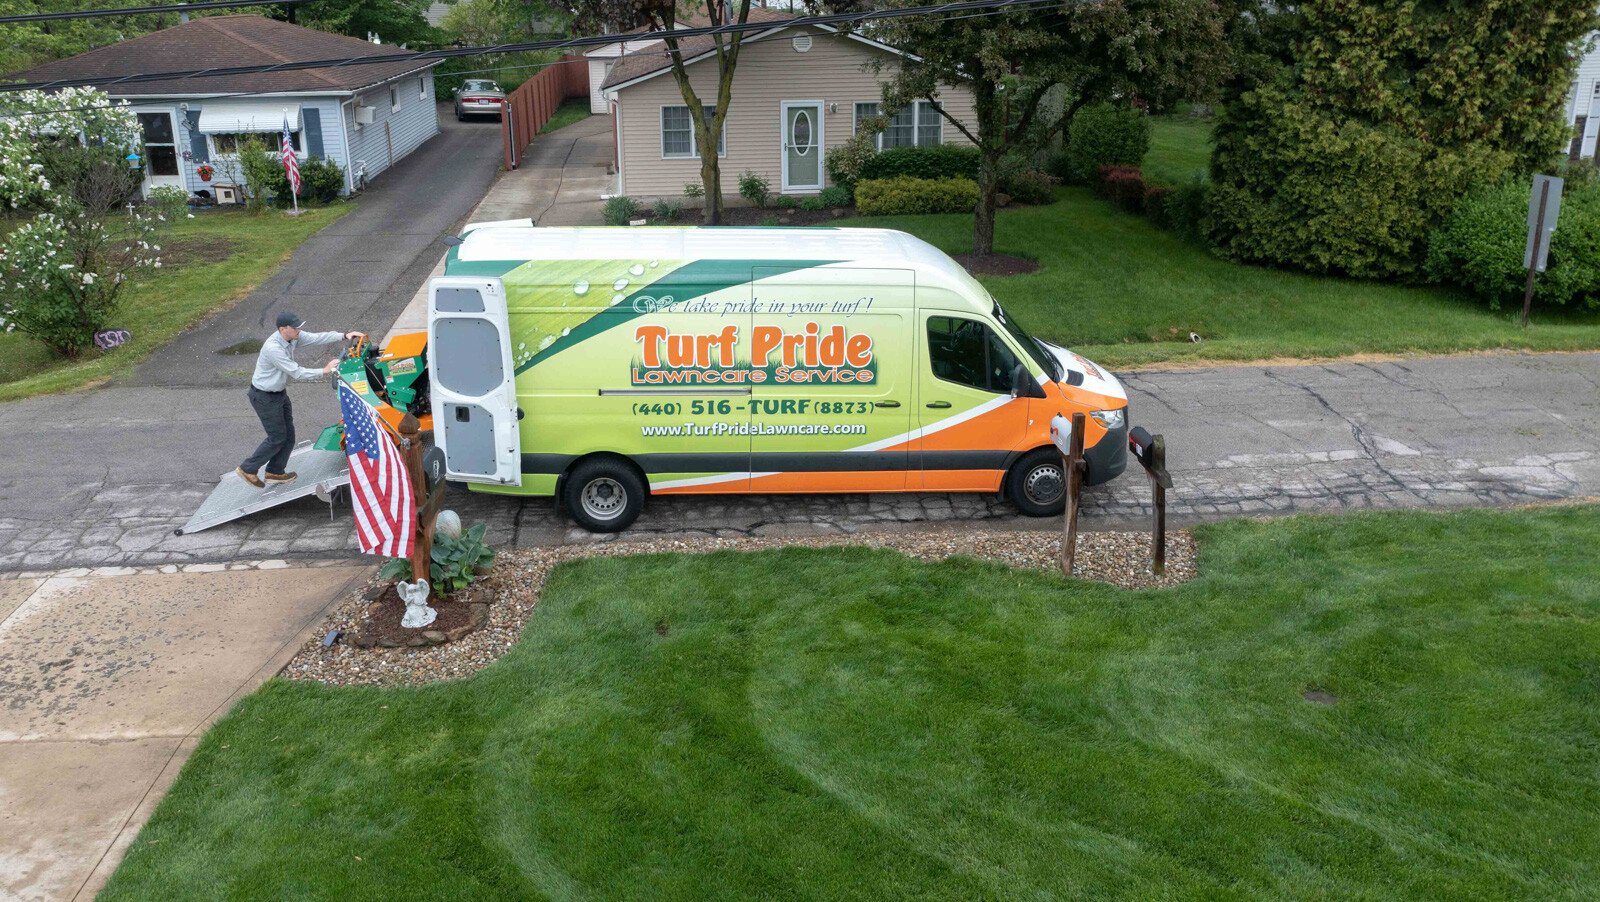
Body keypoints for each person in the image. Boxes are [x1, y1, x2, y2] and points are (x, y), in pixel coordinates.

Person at [236, 311, 364, 488]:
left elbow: (316, 337)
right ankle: (248, 468)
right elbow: (296, 372)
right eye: (295, 327)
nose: (299, 330)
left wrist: (343, 335)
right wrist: (324, 370)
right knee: (277, 437)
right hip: (264, 397)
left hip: (278, 393)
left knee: (289, 436)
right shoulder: (274, 348)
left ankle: (275, 471)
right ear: (283, 329)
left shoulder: (292, 337)